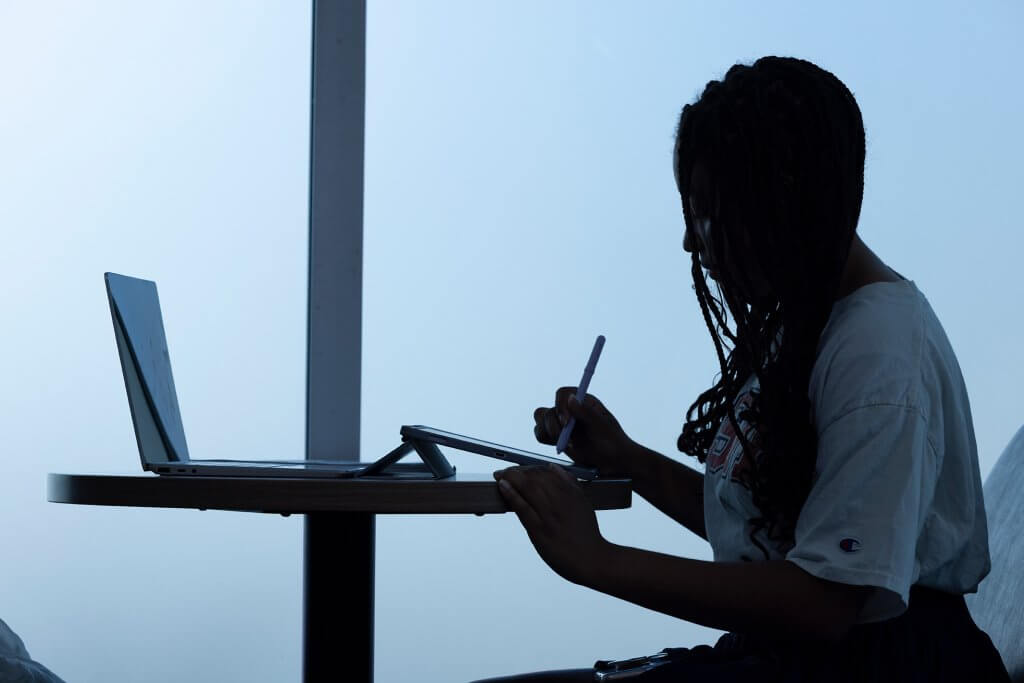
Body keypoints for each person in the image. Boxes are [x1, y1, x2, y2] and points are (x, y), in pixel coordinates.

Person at [471, 56, 1010, 682]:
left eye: (706, 212)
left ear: (781, 201)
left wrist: (597, 560)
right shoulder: (810, 321)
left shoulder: (880, 356)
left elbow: (824, 602)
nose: (691, 243)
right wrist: (629, 460)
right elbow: (770, 542)